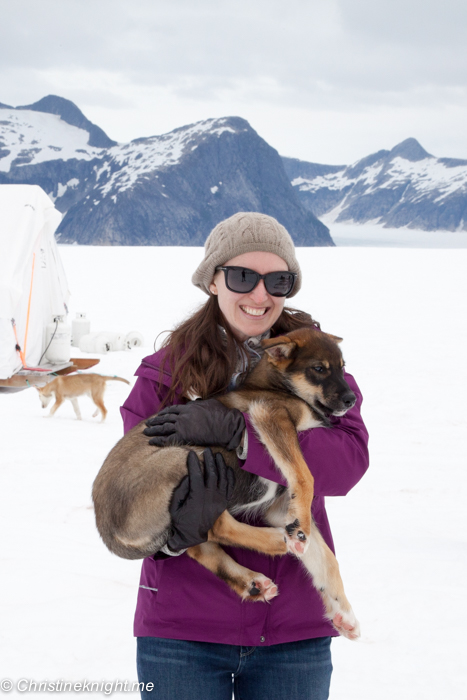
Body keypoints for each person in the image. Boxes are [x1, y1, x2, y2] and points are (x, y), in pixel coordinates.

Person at [120, 212, 369, 700]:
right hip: (181, 632)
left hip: (293, 632)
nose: (260, 295)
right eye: (241, 277)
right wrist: (176, 535)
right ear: (213, 280)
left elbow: (347, 464)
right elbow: (137, 483)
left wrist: (240, 434)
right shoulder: (164, 374)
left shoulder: (317, 361)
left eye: (278, 280)